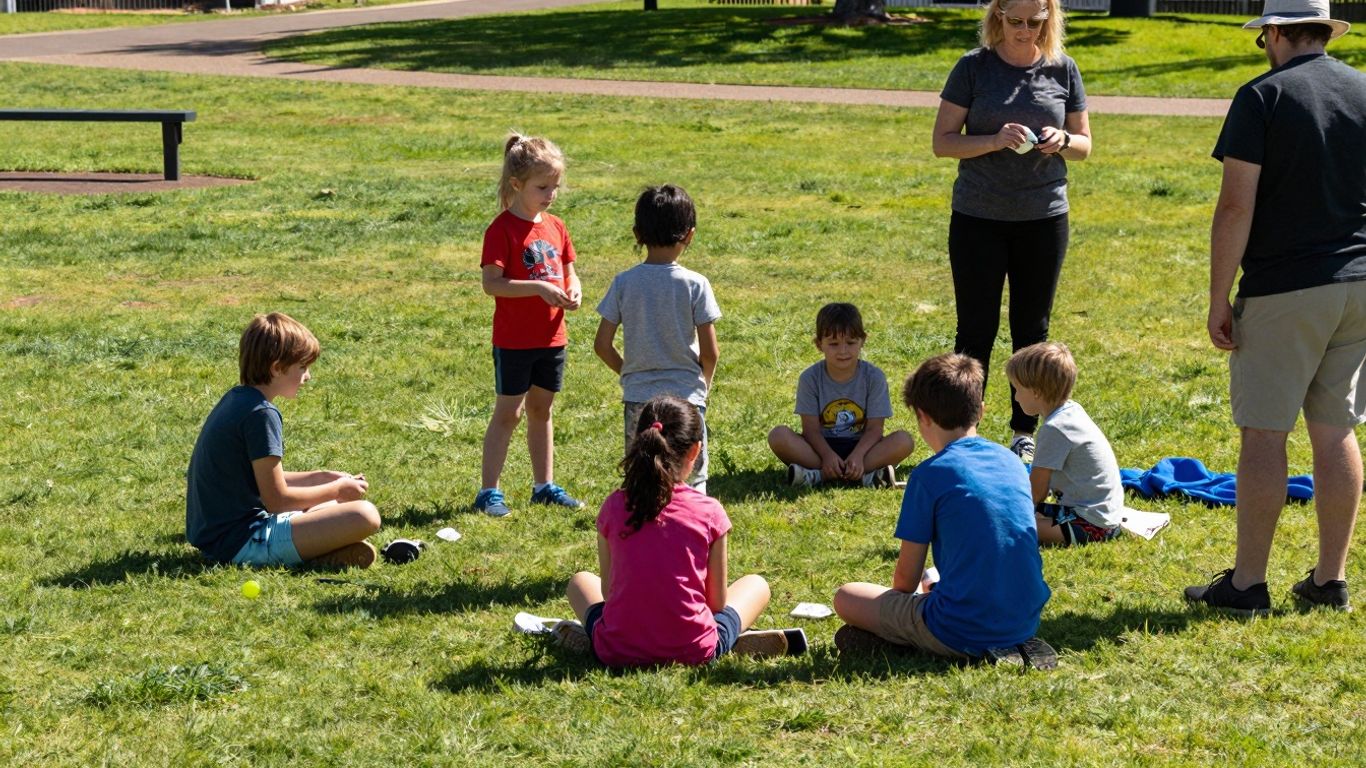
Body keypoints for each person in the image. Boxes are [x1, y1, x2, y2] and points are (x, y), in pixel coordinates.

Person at [1186, 0, 1365, 615]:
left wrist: (1217, 296)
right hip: (1360, 284)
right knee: (1335, 428)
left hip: (1287, 287)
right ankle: (1329, 579)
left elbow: (1236, 206)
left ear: (1273, 33)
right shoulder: (1364, 89)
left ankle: (1246, 585)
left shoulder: (1261, 95)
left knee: (1264, 432)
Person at [931, 0, 1092, 464]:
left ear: (1049, 17)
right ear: (997, 15)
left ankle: (1024, 432)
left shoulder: (1063, 69)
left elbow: (1084, 145)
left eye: (1035, 22)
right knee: (975, 330)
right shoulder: (973, 67)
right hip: (978, 218)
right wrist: (994, 139)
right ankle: (965, 431)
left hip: (1043, 218)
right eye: (1015, 21)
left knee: (1032, 331)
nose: (1025, 31)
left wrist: (1063, 140)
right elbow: (942, 142)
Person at [832, 354, 1053, 666]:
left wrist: (909, 604)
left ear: (923, 416)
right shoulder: (1012, 461)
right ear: (981, 411)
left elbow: (905, 582)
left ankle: (903, 639)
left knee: (847, 596)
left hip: (959, 629)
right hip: (1024, 621)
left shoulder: (928, 475)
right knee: (935, 582)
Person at [562, 396, 807, 666]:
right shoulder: (709, 511)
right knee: (756, 585)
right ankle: (732, 641)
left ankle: (589, 636)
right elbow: (716, 603)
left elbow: (608, 593)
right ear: (695, 451)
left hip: (617, 650)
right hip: (693, 650)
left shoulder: (614, 506)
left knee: (580, 582)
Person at [186, 313, 381, 569]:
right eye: (302, 367)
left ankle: (318, 551)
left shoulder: (238, 399)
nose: (307, 376)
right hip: (241, 542)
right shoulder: (261, 414)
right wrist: (338, 490)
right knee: (364, 514)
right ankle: (313, 554)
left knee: (331, 503)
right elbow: (277, 501)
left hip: (219, 538)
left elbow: (259, 478)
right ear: (277, 368)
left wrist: (321, 477)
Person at [475, 134, 585, 518]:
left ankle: (544, 486)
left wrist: (573, 290)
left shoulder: (556, 226)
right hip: (515, 341)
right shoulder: (501, 230)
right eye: (543, 187)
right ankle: (489, 491)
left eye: (555, 186)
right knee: (509, 413)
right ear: (516, 185)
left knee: (542, 410)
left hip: (552, 337)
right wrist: (539, 287)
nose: (551, 194)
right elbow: (492, 284)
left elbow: (569, 271)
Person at [594, 185, 720, 494]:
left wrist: (629, 372)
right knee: (692, 480)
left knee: (642, 478)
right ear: (689, 234)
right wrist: (703, 384)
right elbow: (711, 352)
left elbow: (602, 345)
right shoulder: (696, 284)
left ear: (637, 234)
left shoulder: (624, 283)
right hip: (686, 400)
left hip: (639, 399)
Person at [767, 302, 914, 488]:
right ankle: (864, 477)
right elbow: (810, 430)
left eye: (851, 343)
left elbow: (875, 430)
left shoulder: (874, 377)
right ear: (819, 344)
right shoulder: (810, 378)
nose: (843, 351)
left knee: (904, 441)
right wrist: (827, 456)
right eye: (834, 344)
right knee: (778, 436)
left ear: (863, 340)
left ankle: (819, 475)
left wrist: (858, 455)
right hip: (819, 448)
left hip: (864, 448)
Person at [1006, 342, 1123, 547]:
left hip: (1093, 524)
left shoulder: (1055, 429)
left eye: (1017, 389)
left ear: (1036, 392)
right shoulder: (1071, 410)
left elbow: (1036, 492)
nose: (1015, 397)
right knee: (1011, 509)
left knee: (1008, 523)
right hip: (1104, 515)